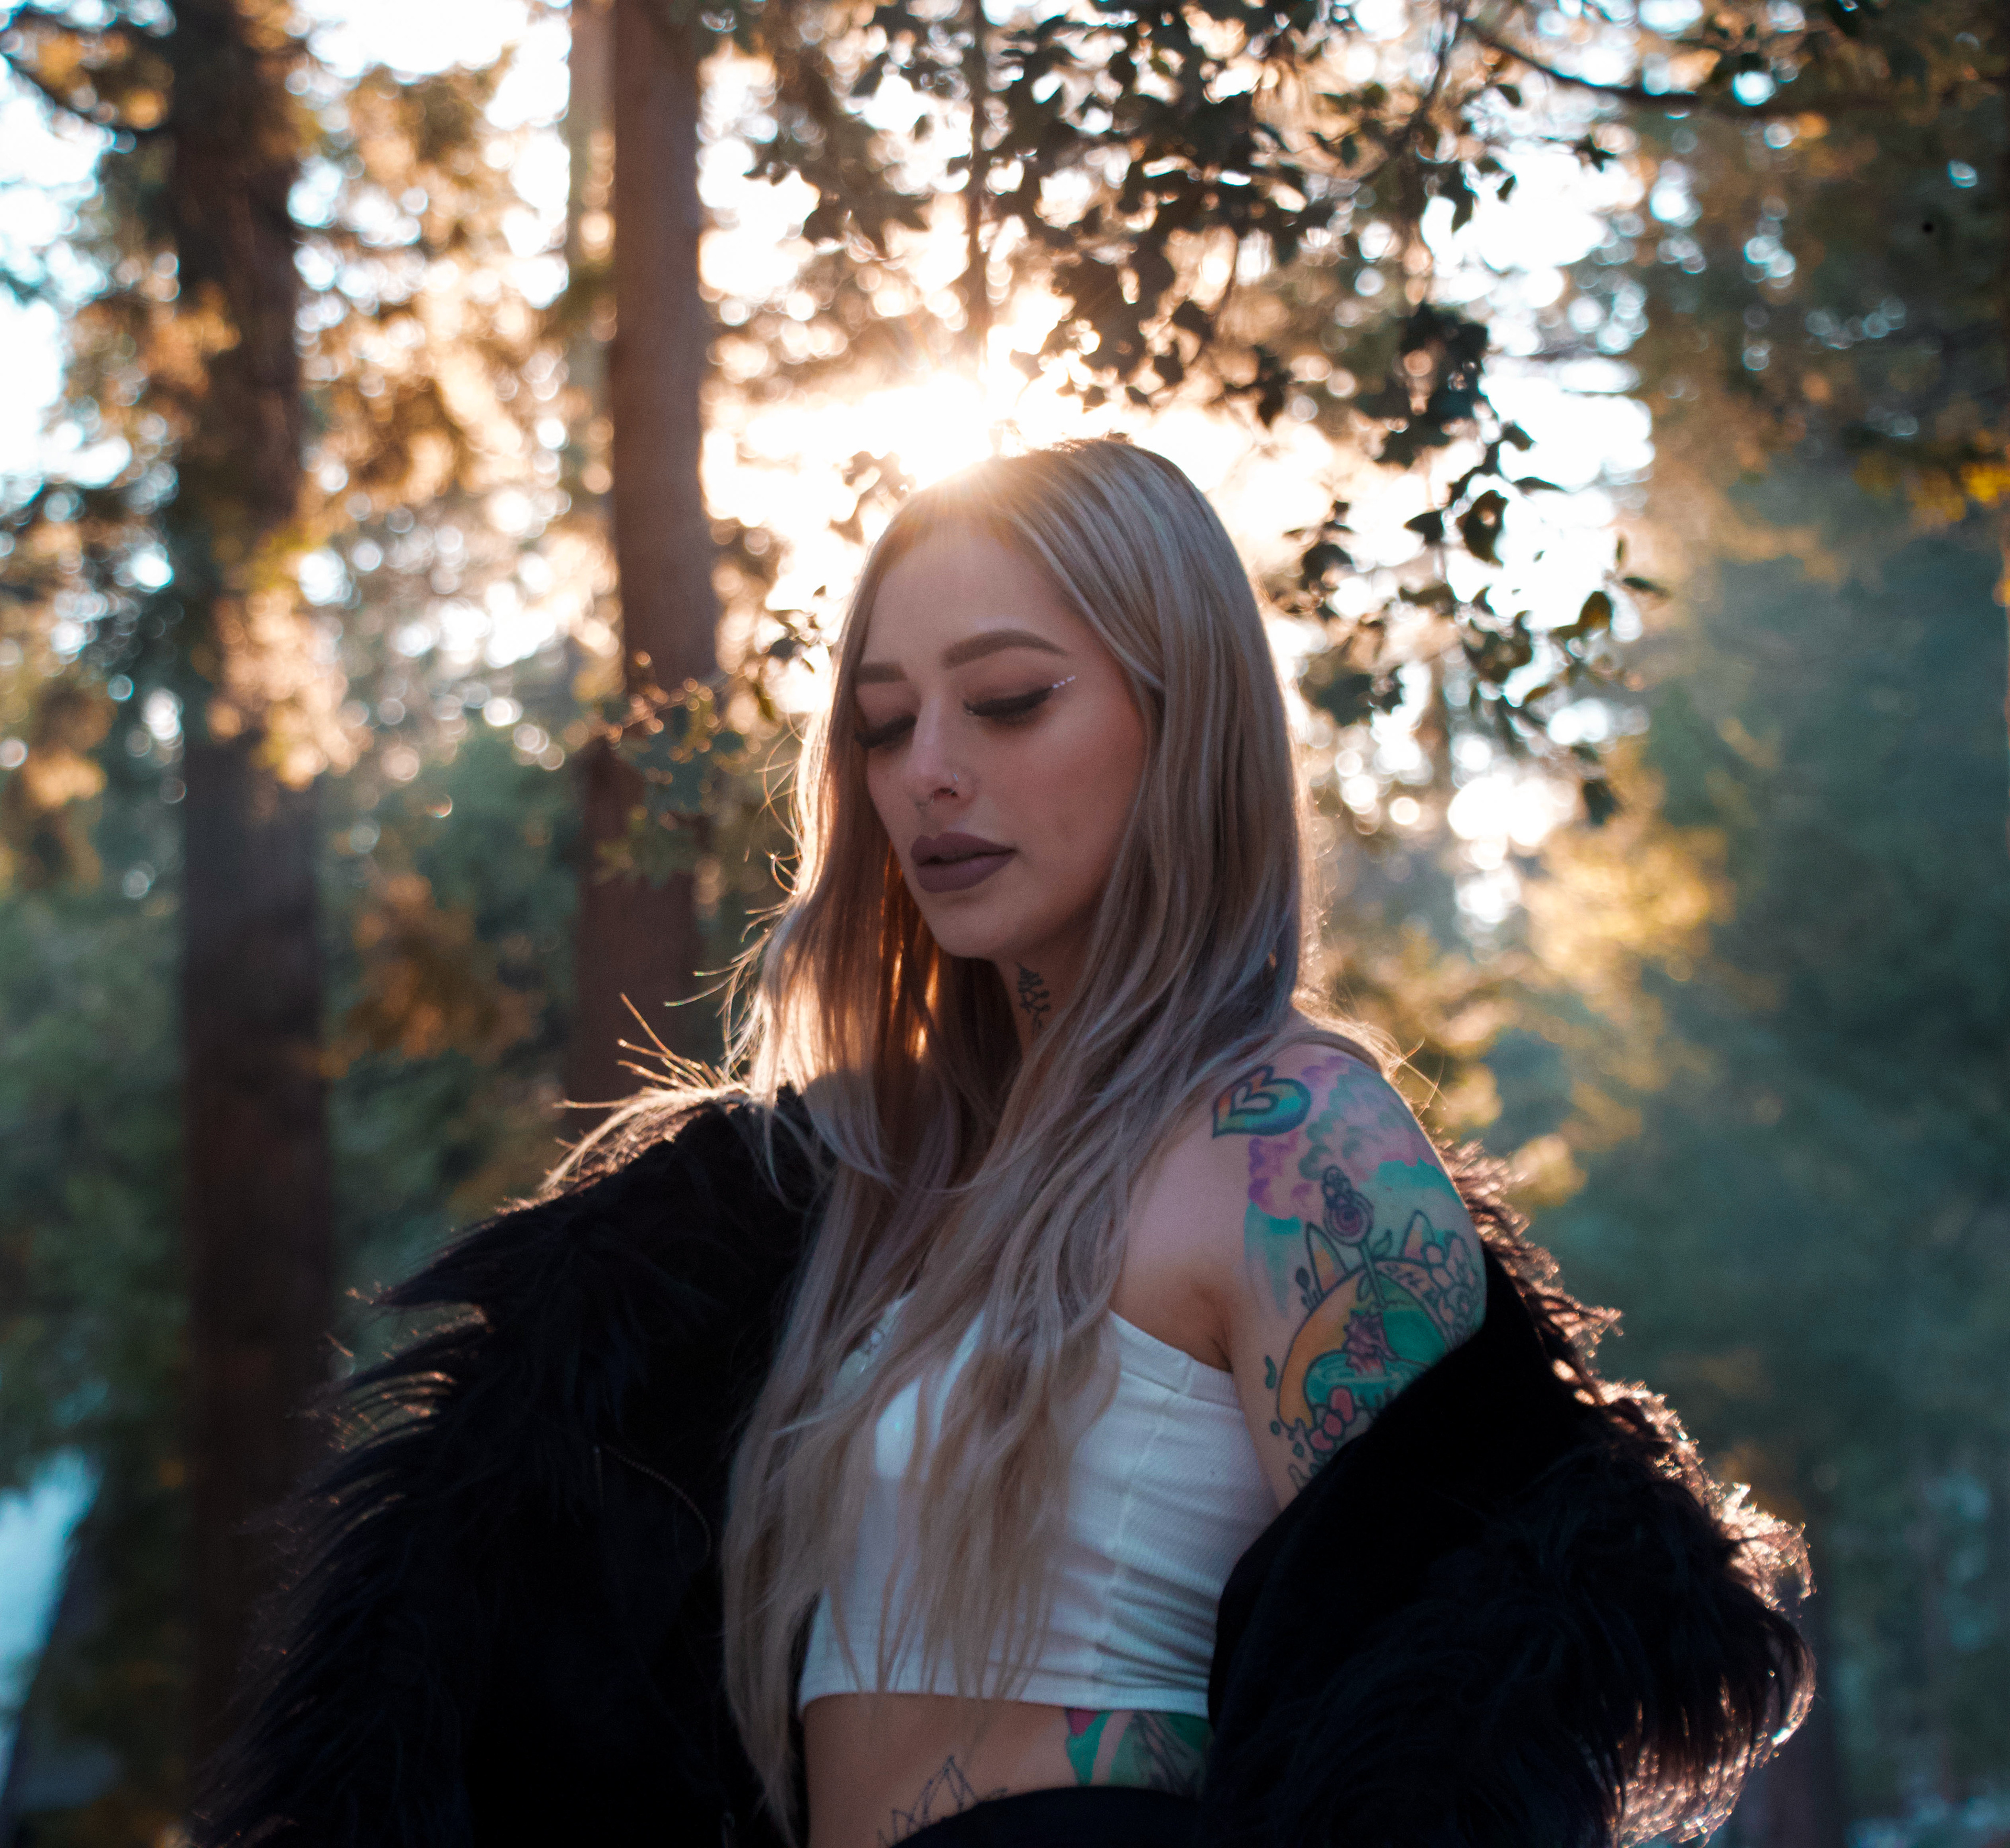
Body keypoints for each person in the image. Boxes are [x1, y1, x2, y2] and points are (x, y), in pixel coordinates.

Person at [196, 440, 1811, 1848]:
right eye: (885, 723)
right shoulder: (853, 1196)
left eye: (1011, 699)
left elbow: (1457, 1714)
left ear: (1182, 715)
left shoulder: (1290, 1145)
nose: (931, 774)